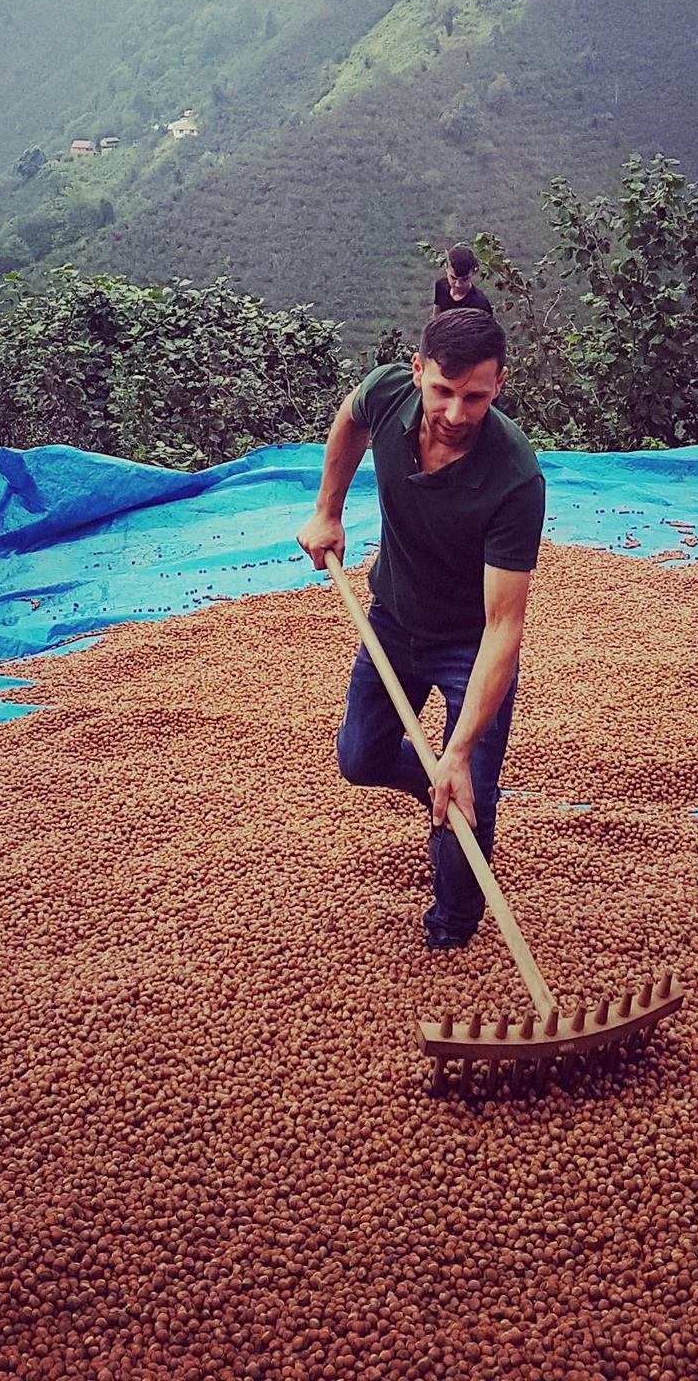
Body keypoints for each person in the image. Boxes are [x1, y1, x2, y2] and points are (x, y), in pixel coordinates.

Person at [296, 307, 546, 949]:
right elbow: (351, 417)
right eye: (443, 391)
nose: (457, 413)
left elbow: (502, 628)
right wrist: (328, 511)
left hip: (470, 643)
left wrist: (458, 754)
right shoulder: (387, 393)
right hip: (394, 618)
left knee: (468, 794)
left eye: (476, 397)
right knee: (359, 758)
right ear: (417, 374)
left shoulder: (514, 478)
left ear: (499, 385)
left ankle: (453, 926)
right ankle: (436, 783)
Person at [433, 243, 494, 316]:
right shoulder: (441, 287)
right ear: (446, 268)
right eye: (453, 278)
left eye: (464, 279)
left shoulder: (480, 305)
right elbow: (435, 318)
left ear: (475, 271)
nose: (458, 285)